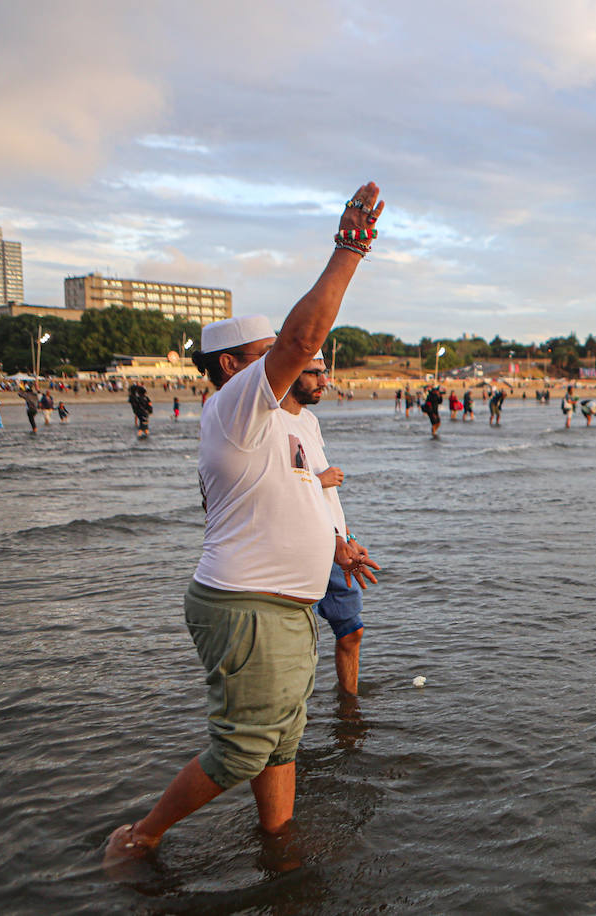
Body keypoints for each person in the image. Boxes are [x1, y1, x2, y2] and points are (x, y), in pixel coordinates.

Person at [102, 181, 384, 872]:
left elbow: (292, 498)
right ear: (231, 367)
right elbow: (305, 335)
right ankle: (142, 837)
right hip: (248, 605)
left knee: (281, 741)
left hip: (282, 608)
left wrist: (336, 545)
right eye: (271, 353)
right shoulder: (235, 407)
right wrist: (348, 250)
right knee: (241, 749)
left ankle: (276, 840)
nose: (297, 361)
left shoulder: (284, 424)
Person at [281, 353, 379, 696]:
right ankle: (291, 717)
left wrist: (346, 536)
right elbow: (267, 489)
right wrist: (316, 479)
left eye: (325, 373)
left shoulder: (308, 421)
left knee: (352, 630)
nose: (325, 381)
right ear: (289, 369)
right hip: (295, 548)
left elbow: (326, 495)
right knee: (295, 643)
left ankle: (348, 707)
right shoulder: (269, 422)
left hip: (333, 544)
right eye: (315, 373)